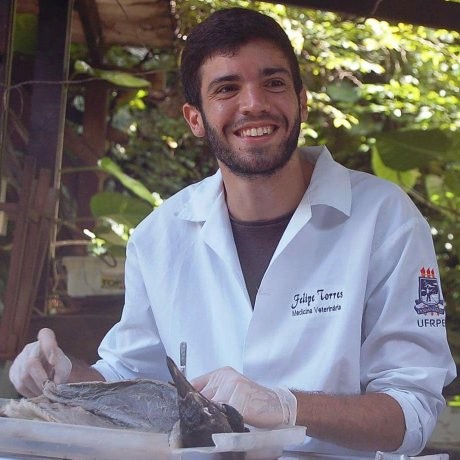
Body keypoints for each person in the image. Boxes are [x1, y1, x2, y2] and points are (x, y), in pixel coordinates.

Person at [9, 7, 456, 458]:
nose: (254, 103)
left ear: (302, 100)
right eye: (227, 88)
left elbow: (413, 411)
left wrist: (285, 406)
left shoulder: (384, 218)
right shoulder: (160, 238)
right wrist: (66, 380)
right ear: (195, 118)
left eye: (274, 82)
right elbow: (130, 375)